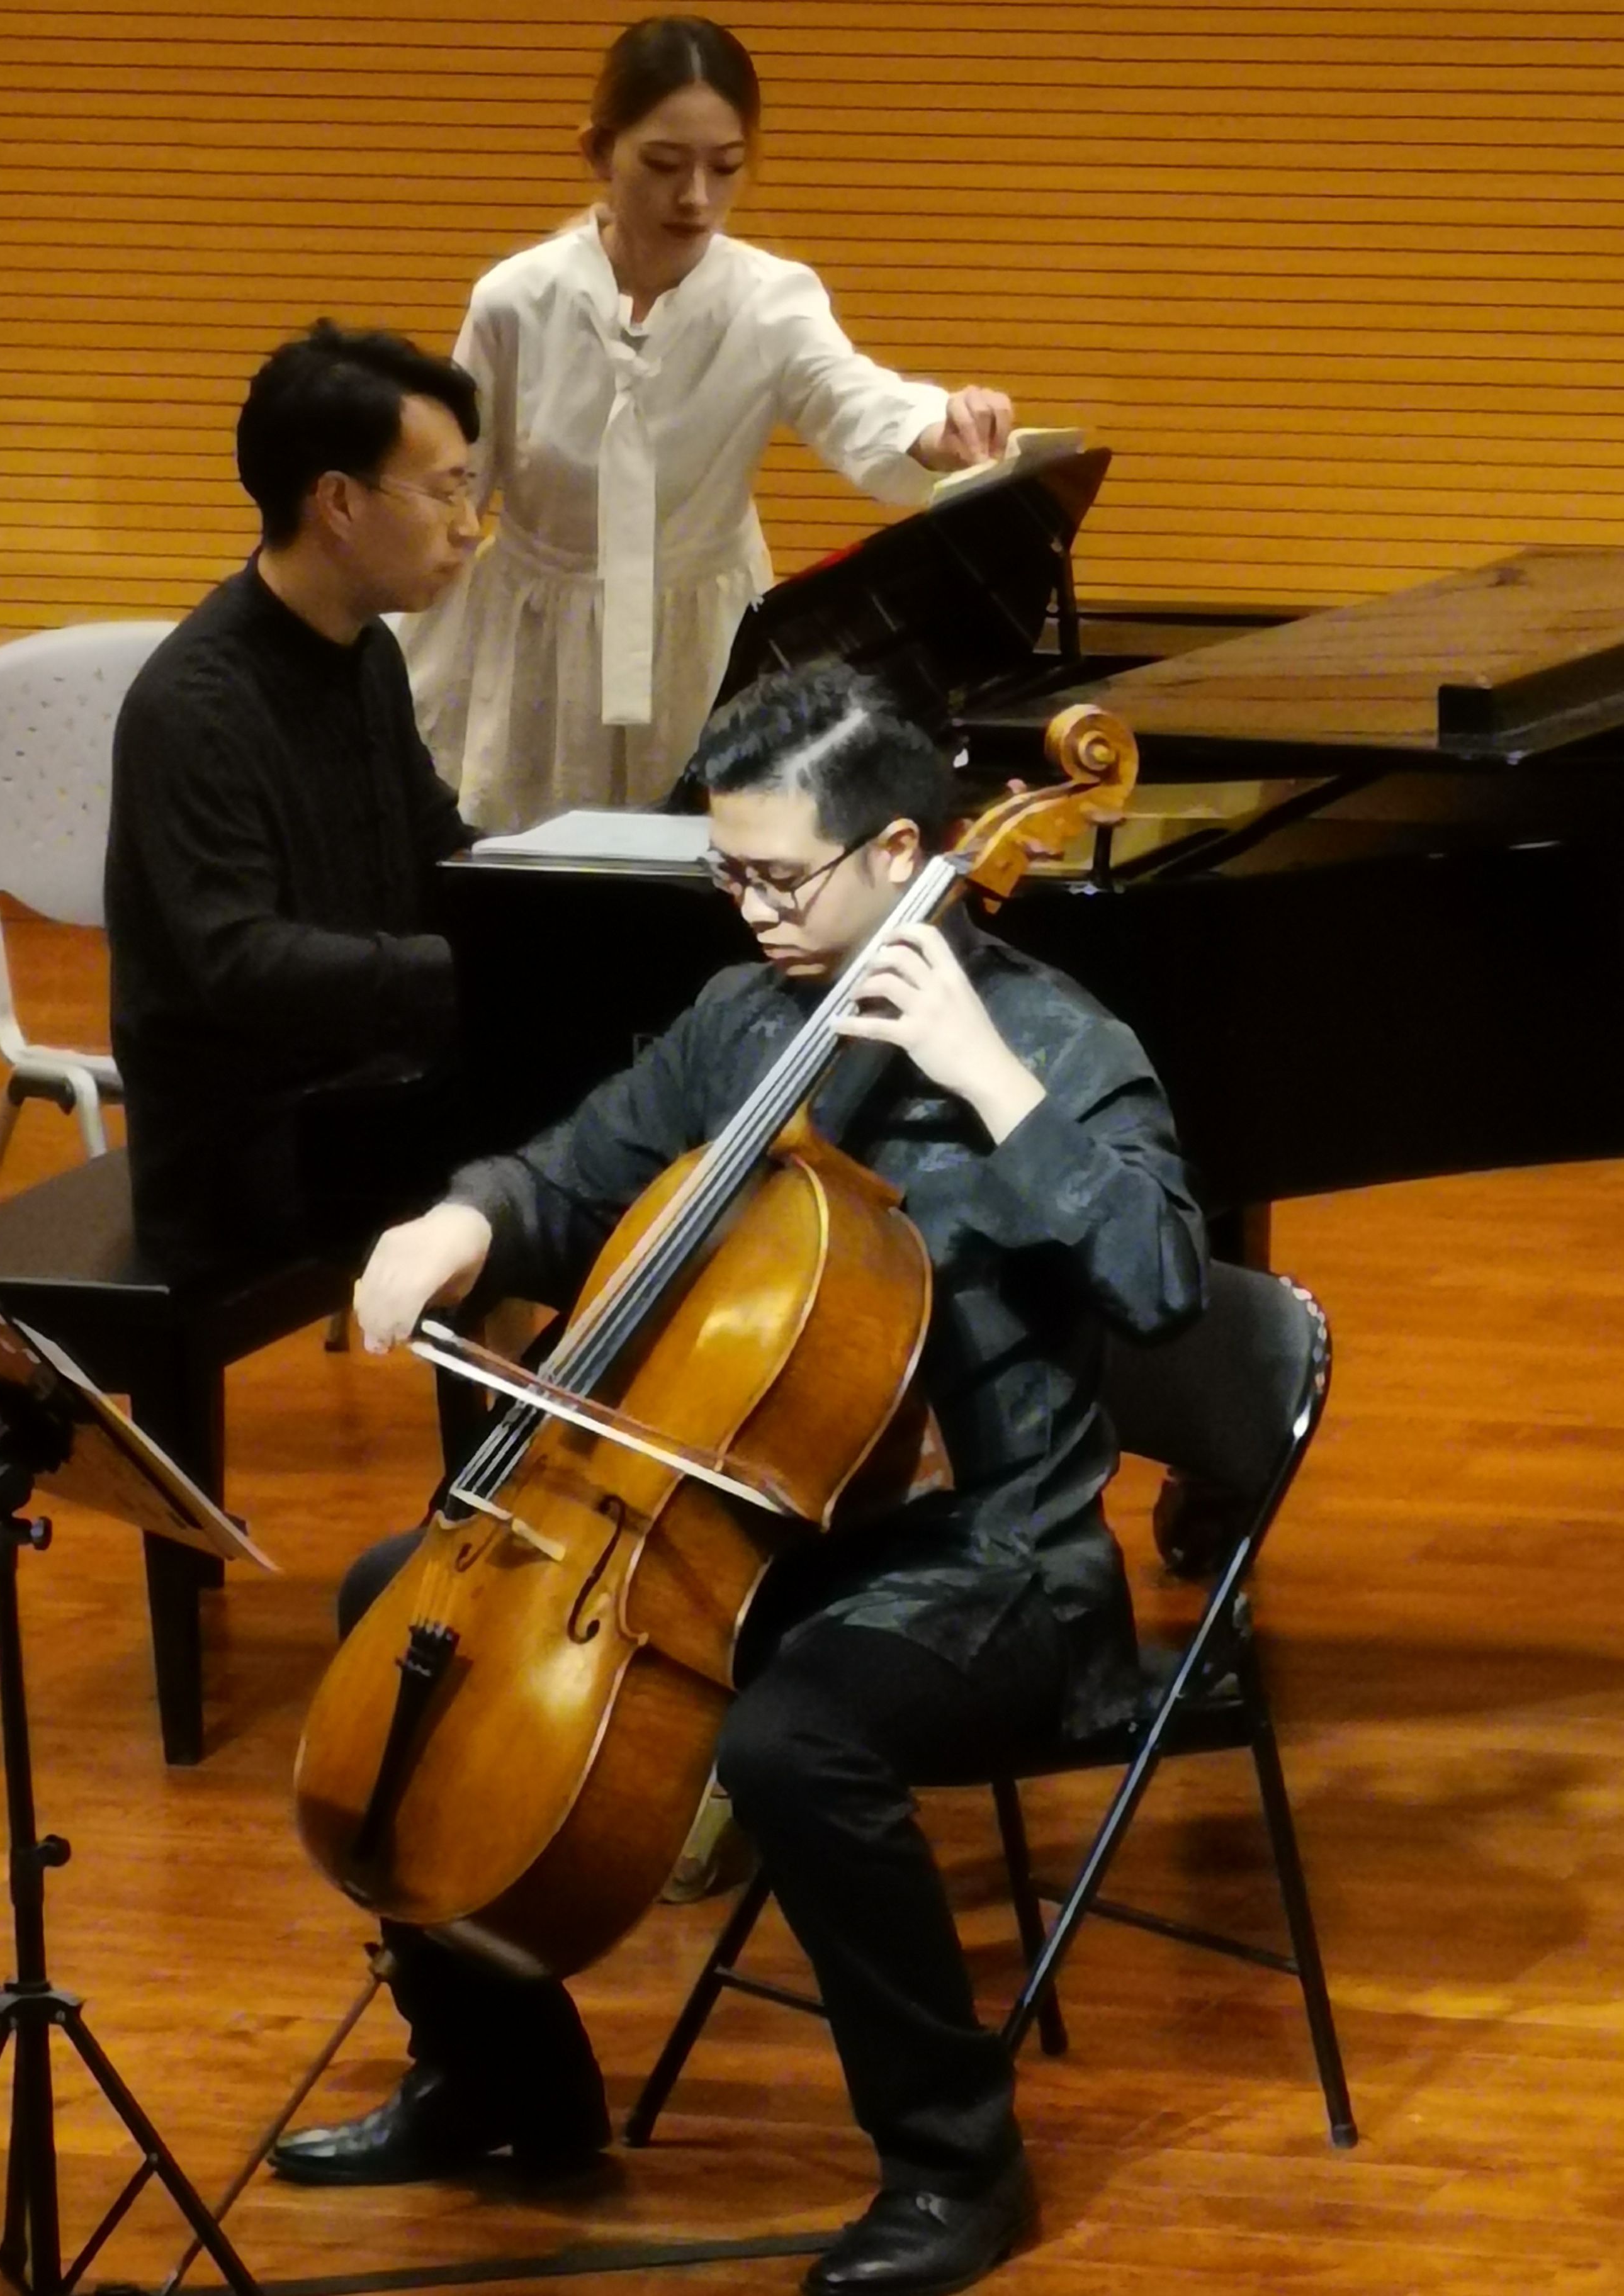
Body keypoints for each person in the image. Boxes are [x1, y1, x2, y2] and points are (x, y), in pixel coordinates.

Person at [271, 665, 1207, 2296]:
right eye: (728, 873)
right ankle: (504, 2081)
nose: (752, 910)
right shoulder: (743, 1022)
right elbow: (575, 1171)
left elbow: (1164, 1280)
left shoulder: (1063, 1042)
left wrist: (991, 1081)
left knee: (792, 1743)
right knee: (398, 1610)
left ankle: (956, 2166)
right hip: (762, 1536)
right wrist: (462, 1221)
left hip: (995, 1565)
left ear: (900, 852)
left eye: (779, 877)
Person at [399, 13, 1022, 833]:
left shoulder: (769, 301)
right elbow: (454, 482)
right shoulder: (516, 300)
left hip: (705, 642)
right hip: (541, 640)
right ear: (598, 152)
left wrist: (939, 427)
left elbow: (854, 397)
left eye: (724, 167)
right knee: (538, 862)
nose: (695, 197)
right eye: (664, 165)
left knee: (711, 859)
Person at [106, 321, 483, 1279]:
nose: (469, 526)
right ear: (338, 503)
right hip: (248, 1142)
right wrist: (468, 970)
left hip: (364, 1087)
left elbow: (435, 846)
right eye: (445, 492)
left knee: (607, 1106)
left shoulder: (366, 649)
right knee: (564, 1158)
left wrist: (568, 905)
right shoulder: (195, 706)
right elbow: (242, 963)